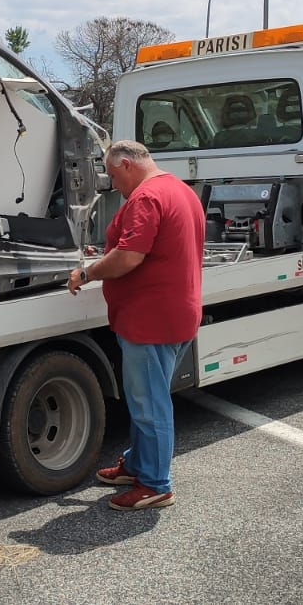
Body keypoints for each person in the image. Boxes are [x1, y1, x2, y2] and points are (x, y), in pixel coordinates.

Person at [67, 140, 205, 510]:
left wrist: (87, 272)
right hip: (176, 313)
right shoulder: (180, 190)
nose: (114, 185)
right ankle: (139, 465)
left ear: (127, 164)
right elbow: (150, 248)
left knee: (149, 405)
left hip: (150, 320)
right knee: (150, 398)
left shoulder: (145, 197)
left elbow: (129, 257)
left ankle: (156, 485)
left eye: (113, 176)